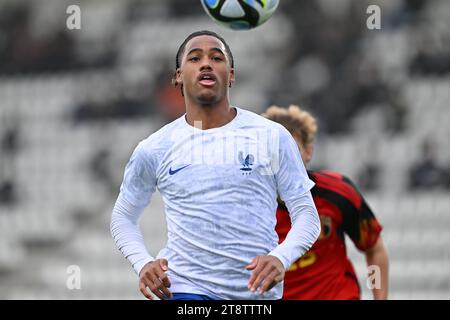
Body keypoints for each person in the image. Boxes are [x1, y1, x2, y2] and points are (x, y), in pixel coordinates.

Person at [110, 31, 321, 300]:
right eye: (195, 58)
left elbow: (306, 215)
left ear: (231, 75)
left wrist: (280, 257)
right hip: (186, 288)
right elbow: (123, 217)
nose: (206, 64)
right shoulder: (155, 147)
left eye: (216, 57)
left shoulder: (271, 136)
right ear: (178, 76)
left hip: (256, 294)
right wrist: (142, 263)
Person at [262, 105, 389, 300]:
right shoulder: (250, 205)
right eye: (277, 151)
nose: (286, 159)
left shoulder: (338, 192)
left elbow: (374, 249)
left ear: (309, 152)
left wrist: (379, 297)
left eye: (292, 150)